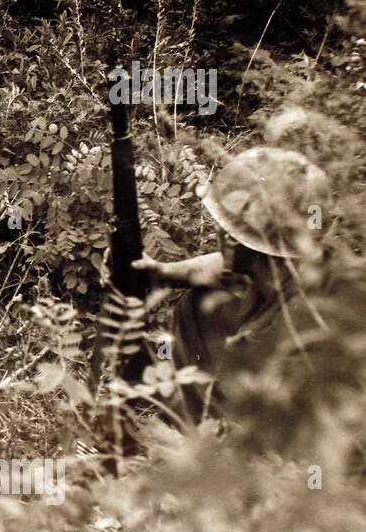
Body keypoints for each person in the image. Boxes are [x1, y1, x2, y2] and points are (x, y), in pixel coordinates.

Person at [132, 146, 336, 421]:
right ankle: (190, 425)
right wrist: (159, 272)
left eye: (229, 230)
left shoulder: (302, 319)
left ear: (239, 242)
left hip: (285, 433)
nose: (221, 234)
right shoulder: (283, 263)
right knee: (198, 303)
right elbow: (221, 265)